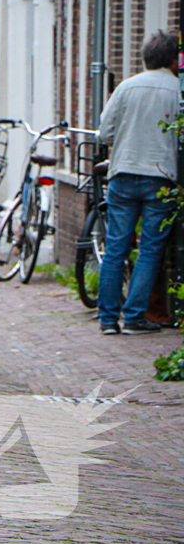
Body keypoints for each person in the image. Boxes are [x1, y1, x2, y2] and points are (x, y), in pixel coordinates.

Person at [96, 30, 180, 336]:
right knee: (150, 250)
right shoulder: (178, 90)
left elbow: (105, 133)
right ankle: (133, 317)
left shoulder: (126, 87)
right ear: (174, 60)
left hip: (123, 173)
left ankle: (107, 319)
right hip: (160, 177)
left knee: (115, 248)